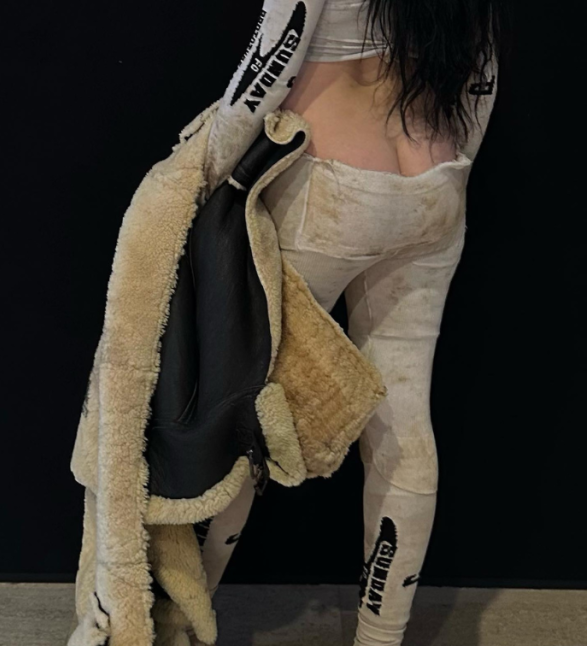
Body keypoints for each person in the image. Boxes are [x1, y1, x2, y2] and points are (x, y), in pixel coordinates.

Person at [193, 1, 502, 645]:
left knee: (241, 411)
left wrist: (200, 173)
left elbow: (271, 58)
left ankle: (181, 622)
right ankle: (379, 638)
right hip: (434, 181)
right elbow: (483, 69)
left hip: (329, 188)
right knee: (405, 418)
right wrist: (454, 171)